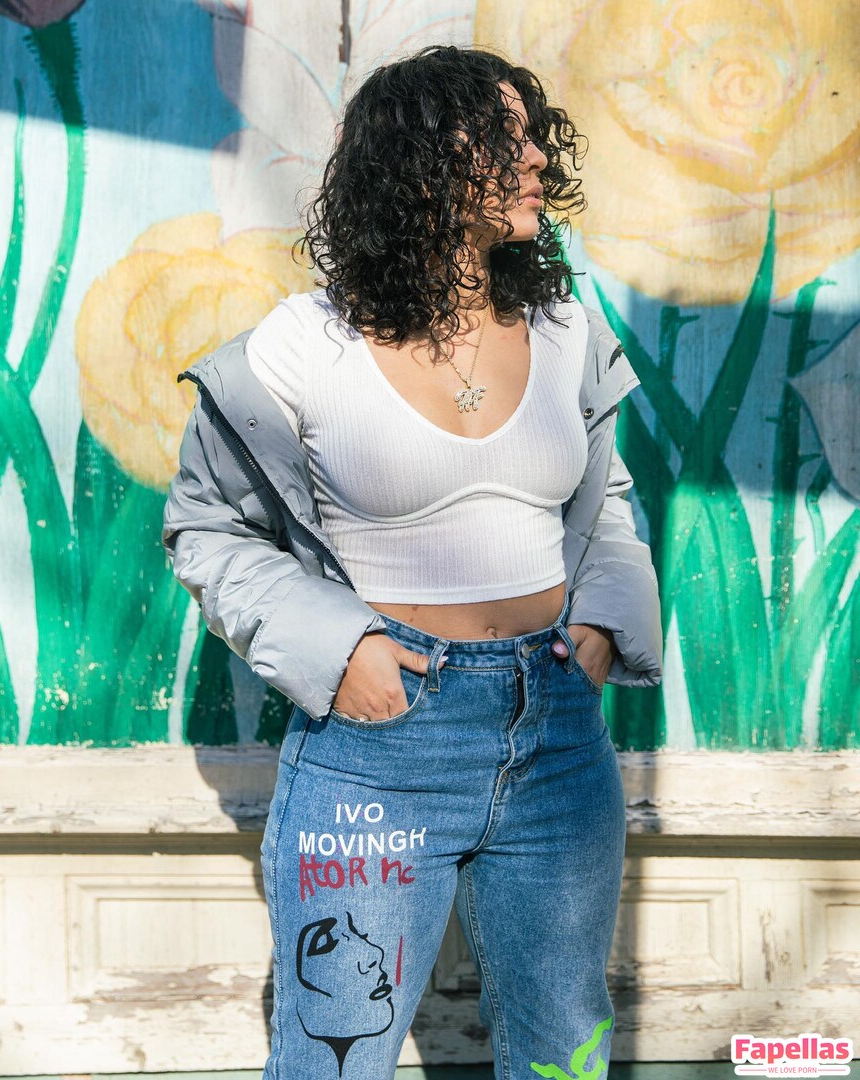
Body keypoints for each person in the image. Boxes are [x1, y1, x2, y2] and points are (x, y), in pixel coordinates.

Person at [162, 43, 662, 1080]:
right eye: (506, 138)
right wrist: (339, 648)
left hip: (558, 733)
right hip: (380, 749)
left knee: (567, 1053)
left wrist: (602, 627)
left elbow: (604, 500)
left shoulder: (565, 329)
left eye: (536, 136)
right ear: (423, 163)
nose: (537, 158)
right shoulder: (303, 346)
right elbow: (204, 528)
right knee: (335, 1056)